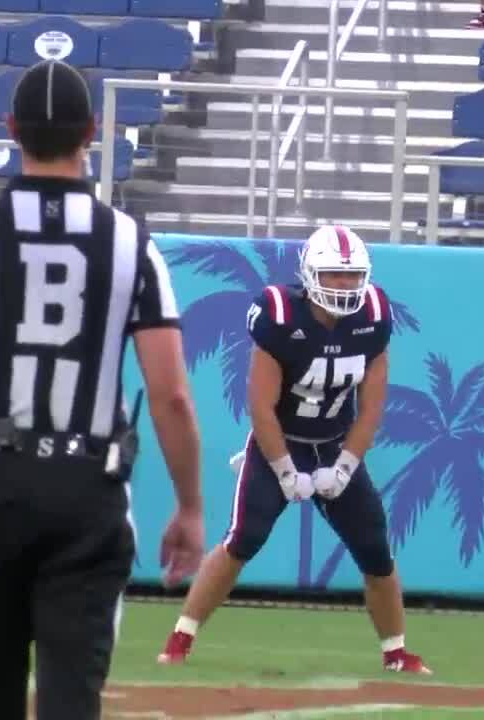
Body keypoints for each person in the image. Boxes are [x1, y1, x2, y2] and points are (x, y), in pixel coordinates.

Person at [0, 59, 205, 719]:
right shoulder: (130, 242)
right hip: (87, 488)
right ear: (92, 132)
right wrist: (190, 504)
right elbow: (170, 392)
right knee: (72, 695)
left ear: (11, 129)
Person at [157, 225, 431, 675]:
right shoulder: (279, 313)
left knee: (376, 551)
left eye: (352, 275)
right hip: (277, 444)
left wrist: (344, 467)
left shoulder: (375, 314)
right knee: (242, 541)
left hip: (337, 444)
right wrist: (284, 469)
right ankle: (180, 639)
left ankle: (396, 652)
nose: (344, 285)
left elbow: (372, 405)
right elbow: (261, 405)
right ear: (308, 274)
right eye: (332, 275)